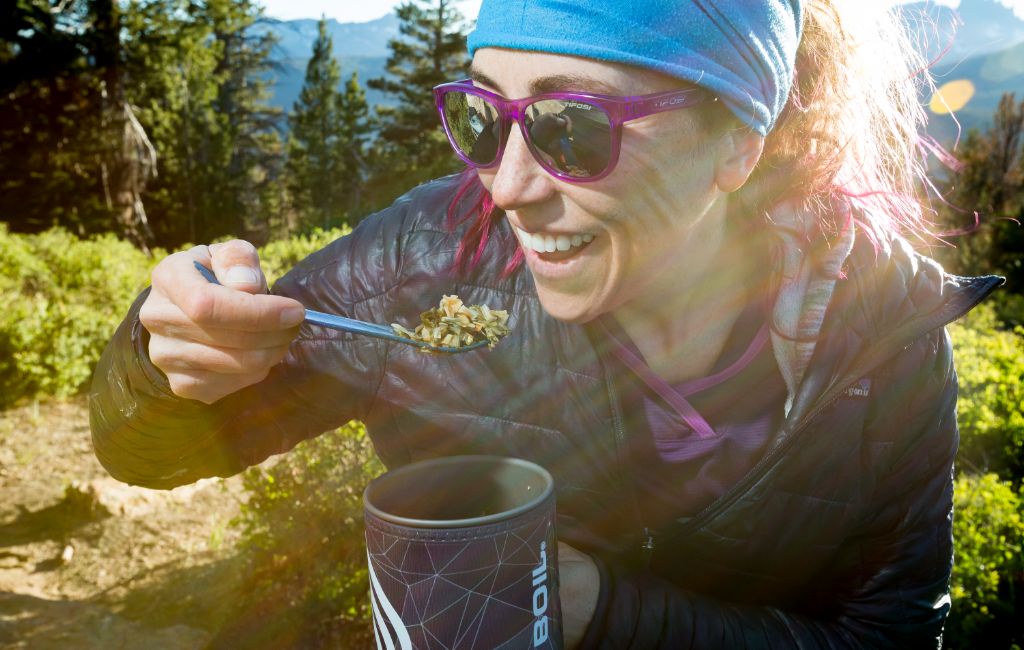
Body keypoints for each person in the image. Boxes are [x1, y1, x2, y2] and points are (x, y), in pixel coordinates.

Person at [90, 0, 1003, 647]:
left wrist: (606, 613)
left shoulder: (879, 338)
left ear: (738, 141)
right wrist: (166, 354)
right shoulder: (428, 260)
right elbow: (151, 453)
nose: (509, 187)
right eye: (484, 118)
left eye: (571, 128)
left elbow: (890, 634)